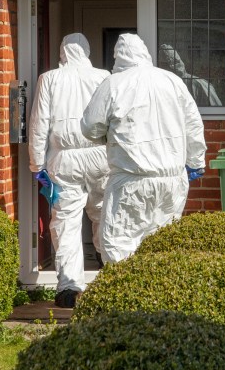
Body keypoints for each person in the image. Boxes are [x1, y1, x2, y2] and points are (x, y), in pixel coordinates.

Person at [81, 33, 207, 263]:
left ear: (118, 56)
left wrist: (106, 138)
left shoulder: (113, 84)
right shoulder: (172, 81)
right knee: (163, 246)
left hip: (131, 179)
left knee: (119, 243)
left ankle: (125, 298)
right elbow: (194, 126)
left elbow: (90, 127)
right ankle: (160, 297)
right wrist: (196, 162)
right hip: (172, 180)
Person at [27, 33, 110, 309]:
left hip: (64, 160)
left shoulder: (50, 79)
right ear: (87, 52)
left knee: (66, 223)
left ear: (62, 52)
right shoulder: (104, 77)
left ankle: (69, 287)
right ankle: (112, 272)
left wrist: (36, 164)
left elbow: (40, 125)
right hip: (101, 156)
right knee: (106, 215)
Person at [158, 43, 223, 107]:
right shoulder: (163, 87)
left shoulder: (200, 86)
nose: (160, 71)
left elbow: (217, 113)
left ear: (172, 65)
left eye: (163, 66)